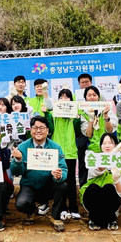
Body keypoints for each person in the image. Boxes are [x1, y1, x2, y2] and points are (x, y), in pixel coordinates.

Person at [10, 116, 68, 232]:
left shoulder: (55, 147)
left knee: (63, 185)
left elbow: (63, 168)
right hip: (30, 185)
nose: (38, 131)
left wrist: (59, 175)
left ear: (47, 130)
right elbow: (16, 172)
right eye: (35, 127)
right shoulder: (23, 147)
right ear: (31, 130)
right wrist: (18, 160)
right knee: (21, 203)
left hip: (49, 185)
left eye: (42, 128)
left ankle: (55, 216)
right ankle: (32, 211)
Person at [80, 133, 121, 230]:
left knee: (109, 187)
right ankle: (94, 220)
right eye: (104, 143)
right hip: (92, 202)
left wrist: (116, 181)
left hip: (111, 204)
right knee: (93, 187)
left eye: (110, 143)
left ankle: (111, 220)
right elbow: (95, 171)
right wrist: (113, 153)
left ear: (115, 145)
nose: (107, 146)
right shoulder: (94, 159)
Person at [48, 89, 82, 220]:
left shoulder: (75, 114)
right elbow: (50, 129)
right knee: (59, 181)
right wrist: (46, 113)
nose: (64, 99)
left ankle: (74, 208)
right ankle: (62, 208)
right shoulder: (54, 114)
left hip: (71, 152)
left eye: (67, 97)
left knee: (71, 181)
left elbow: (78, 132)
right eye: (61, 97)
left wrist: (77, 119)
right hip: (57, 153)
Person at [81, 86, 114, 153]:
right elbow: (89, 134)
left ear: (98, 97)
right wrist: (91, 119)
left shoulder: (107, 109)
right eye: (89, 95)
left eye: (94, 95)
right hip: (92, 149)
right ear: (85, 98)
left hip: (107, 148)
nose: (92, 97)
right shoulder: (83, 112)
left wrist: (105, 115)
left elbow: (110, 130)